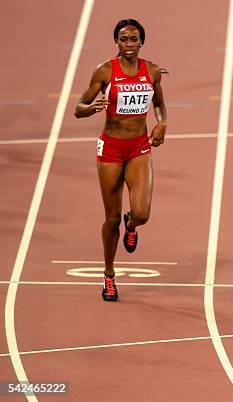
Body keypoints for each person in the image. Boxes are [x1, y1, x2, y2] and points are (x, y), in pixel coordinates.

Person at [74, 19, 167, 301]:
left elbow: (159, 105)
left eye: (134, 39)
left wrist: (162, 123)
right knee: (110, 218)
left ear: (142, 42)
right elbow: (78, 108)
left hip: (139, 147)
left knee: (142, 214)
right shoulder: (104, 71)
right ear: (116, 42)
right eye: (123, 39)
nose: (129, 44)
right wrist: (92, 108)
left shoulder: (151, 71)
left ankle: (132, 225)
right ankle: (109, 275)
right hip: (111, 150)